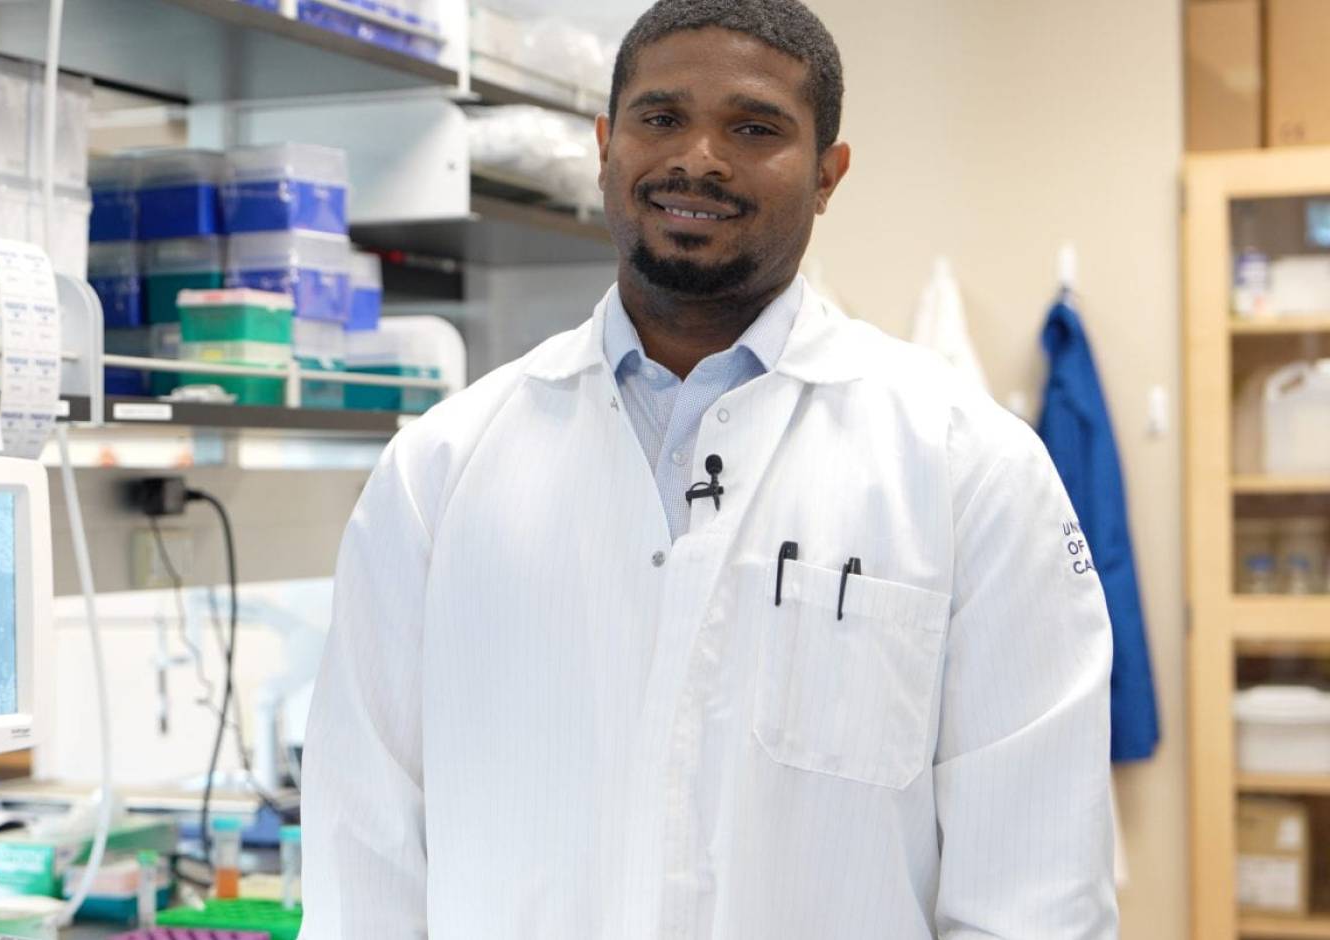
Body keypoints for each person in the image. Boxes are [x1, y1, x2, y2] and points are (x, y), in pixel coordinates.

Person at [302, 0, 1118, 936]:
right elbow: (362, 848)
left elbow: (1035, 889)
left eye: (755, 127)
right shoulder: (439, 471)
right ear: (605, 145)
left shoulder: (969, 468)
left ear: (827, 174)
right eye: (660, 118)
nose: (698, 157)